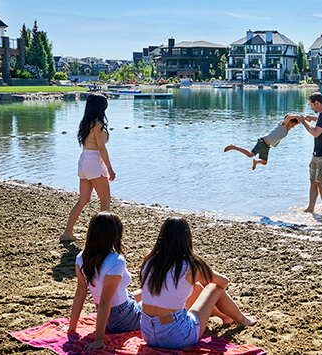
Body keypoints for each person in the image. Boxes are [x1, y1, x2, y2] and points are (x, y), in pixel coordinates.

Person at [139, 217, 257, 349]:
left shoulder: (150, 260)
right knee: (214, 288)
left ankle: (226, 317)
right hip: (176, 337)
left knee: (195, 287)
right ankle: (242, 320)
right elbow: (224, 282)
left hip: (148, 333)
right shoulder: (190, 265)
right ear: (186, 239)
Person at [58, 212, 142, 351]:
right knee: (155, 302)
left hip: (110, 313)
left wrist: (71, 328)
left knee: (146, 291)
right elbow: (105, 302)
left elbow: (80, 292)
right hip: (122, 318)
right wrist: (99, 340)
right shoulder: (116, 261)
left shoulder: (82, 257)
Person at [61, 93, 115, 241]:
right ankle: (103, 237)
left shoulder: (85, 122)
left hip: (84, 159)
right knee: (105, 200)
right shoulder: (97, 124)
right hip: (94, 161)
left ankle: (67, 232)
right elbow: (101, 148)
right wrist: (110, 168)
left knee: (83, 199)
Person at [298, 92, 322, 213]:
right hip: (317, 153)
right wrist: (314, 119)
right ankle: (311, 208)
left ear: (317, 103)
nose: (311, 107)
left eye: (312, 105)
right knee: (313, 181)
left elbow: (315, 132)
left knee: (321, 182)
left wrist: (304, 122)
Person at [224, 113, 300, 170]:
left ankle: (256, 162)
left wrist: (304, 118)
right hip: (262, 142)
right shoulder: (282, 125)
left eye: (294, 125)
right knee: (250, 154)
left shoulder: (287, 129)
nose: (293, 126)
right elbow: (289, 117)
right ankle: (233, 147)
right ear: (288, 121)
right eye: (292, 124)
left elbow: (299, 122)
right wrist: (297, 116)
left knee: (264, 162)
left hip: (267, 146)